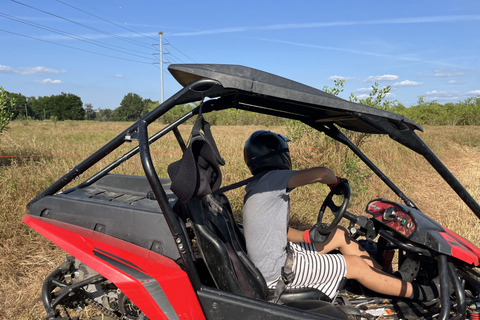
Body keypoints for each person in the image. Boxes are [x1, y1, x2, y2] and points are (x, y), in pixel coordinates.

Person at [241, 130, 437, 302]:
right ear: (281, 156)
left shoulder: (257, 187)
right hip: (278, 274)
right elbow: (323, 173)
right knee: (355, 265)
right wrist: (335, 183)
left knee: (339, 234)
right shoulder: (272, 179)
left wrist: (305, 236)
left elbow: (276, 229)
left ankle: (388, 280)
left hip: (279, 258)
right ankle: (424, 294)